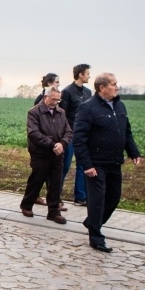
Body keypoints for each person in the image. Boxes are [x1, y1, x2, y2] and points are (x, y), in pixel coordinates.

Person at [74, 73, 141, 253]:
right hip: (96, 163)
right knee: (96, 201)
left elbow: (126, 132)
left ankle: (92, 222)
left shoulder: (120, 106)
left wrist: (133, 152)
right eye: (113, 84)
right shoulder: (87, 108)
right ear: (102, 87)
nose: (117, 87)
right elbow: (79, 139)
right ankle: (96, 238)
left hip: (115, 162)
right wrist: (86, 165)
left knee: (113, 197)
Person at [19, 87, 72, 224]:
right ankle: (26, 205)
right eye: (53, 99)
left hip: (57, 154)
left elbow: (68, 132)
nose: (56, 102)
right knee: (36, 180)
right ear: (45, 97)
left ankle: (54, 212)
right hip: (40, 154)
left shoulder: (61, 112)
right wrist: (52, 144)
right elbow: (34, 133)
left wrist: (62, 144)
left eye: (58, 99)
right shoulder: (34, 112)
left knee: (55, 183)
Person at [60, 64, 92, 206]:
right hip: (70, 134)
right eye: (87, 73)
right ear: (80, 74)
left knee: (83, 165)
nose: (89, 76)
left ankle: (80, 197)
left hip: (85, 134)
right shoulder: (67, 91)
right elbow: (63, 115)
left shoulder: (88, 92)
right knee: (65, 165)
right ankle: (56, 196)